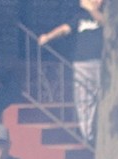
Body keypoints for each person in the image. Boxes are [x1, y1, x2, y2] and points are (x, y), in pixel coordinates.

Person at [34, 0, 104, 145]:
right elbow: (65, 28)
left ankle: (99, 135)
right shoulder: (79, 16)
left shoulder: (109, 15)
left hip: (102, 63)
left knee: (101, 98)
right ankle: (88, 136)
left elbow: (107, 25)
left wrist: (92, 10)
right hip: (81, 63)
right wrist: (48, 36)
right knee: (84, 99)